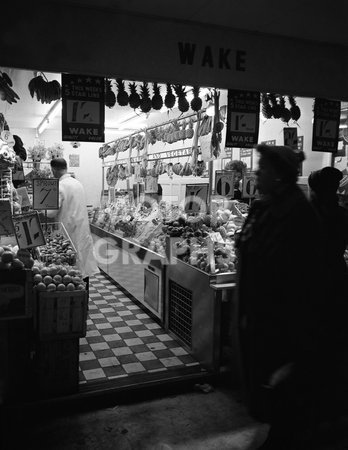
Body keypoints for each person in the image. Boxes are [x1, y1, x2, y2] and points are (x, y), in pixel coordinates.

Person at [235, 144, 326, 449]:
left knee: (283, 388)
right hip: (261, 314)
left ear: (278, 176)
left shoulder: (298, 215)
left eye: (262, 169)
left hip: (283, 321)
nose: (256, 172)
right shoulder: (265, 207)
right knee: (265, 383)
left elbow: (299, 278)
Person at [307, 166, 348, 425]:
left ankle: (313, 399)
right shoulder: (343, 214)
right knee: (333, 339)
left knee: (312, 339)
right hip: (337, 277)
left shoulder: (309, 216)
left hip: (312, 282)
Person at [46, 158, 99, 292]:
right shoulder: (77, 183)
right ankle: (84, 299)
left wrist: (39, 208)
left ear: (54, 170)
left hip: (68, 231)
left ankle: (74, 301)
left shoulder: (60, 185)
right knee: (83, 266)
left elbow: (51, 212)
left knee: (70, 269)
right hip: (81, 230)